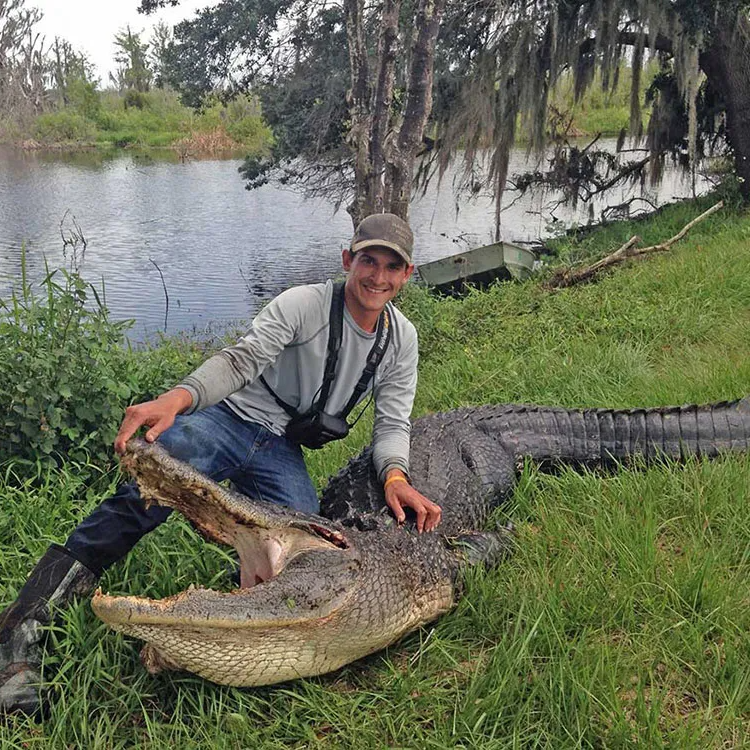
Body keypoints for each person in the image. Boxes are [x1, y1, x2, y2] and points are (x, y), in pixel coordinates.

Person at [0, 212, 442, 715]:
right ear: (348, 260)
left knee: (305, 555)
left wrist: (395, 475)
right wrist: (180, 398)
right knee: (145, 496)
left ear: (407, 275)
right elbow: (240, 360)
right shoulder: (304, 305)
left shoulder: (400, 340)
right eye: (368, 260)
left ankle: (227, 640)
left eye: (391, 266)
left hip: (280, 445)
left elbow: (392, 422)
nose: (377, 277)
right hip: (228, 420)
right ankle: (21, 634)